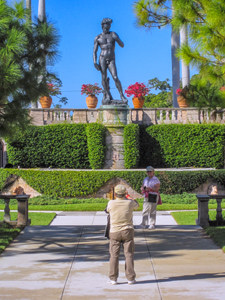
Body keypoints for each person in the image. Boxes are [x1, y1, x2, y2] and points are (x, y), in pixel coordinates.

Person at [106, 184, 139, 285]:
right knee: (129, 255)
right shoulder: (130, 203)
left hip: (114, 231)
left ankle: (113, 278)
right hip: (127, 230)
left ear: (115, 194)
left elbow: (107, 210)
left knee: (114, 255)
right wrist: (129, 197)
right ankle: (130, 278)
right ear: (125, 193)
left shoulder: (111, 203)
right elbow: (137, 205)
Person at [93, 18, 128, 105]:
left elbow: (122, 45)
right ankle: (107, 94)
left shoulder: (113, 34)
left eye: (109, 24)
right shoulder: (98, 37)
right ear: (103, 25)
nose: (108, 26)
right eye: (107, 24)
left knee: (115, 77)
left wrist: (117, 39)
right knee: (104, 77)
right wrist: (94, 62)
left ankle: (122, 95)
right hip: (102, 58)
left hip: (111, 58)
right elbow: (94, 51)